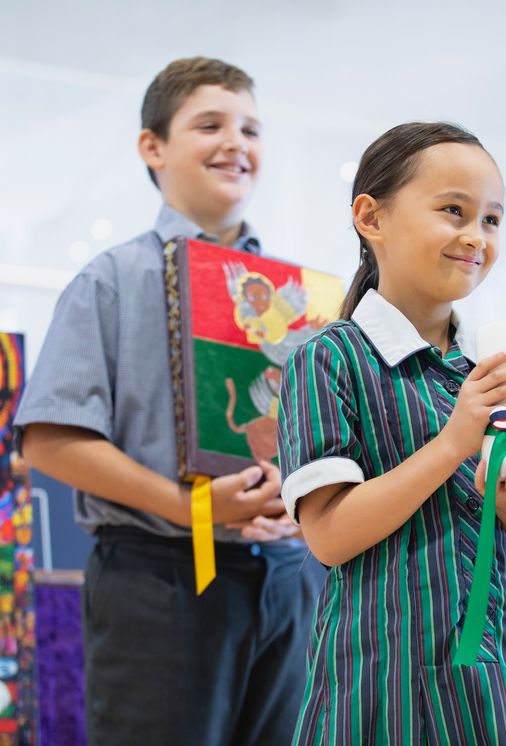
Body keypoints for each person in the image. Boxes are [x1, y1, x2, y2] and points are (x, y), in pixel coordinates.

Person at [15, 57, 323, 746]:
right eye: (209, 124)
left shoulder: (297, 300)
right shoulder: (111, 281)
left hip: (287, 574)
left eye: (250, 128)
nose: (236, 143)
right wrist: (188, 506)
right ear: (153, 147)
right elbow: (48, 439)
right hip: (161, 579)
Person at [277, 121, 506, 745]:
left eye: (492, 219)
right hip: (382, 689)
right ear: (370, 217)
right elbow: (327, 536)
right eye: (453, 210)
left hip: (498, 684)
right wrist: (454, 443)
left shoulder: (487, 372)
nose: (475, 236)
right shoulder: (330, 359)